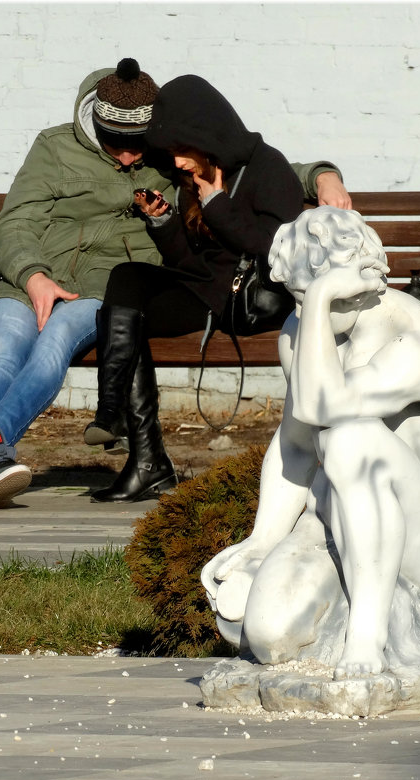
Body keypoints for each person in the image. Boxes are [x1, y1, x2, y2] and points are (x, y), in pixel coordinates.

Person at [0, 59, 351, 508]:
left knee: (61, 337)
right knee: (3, 354)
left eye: (134, 144)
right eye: (112, 142)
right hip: (31, 281)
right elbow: (16, 221)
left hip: (95, 290)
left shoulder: (166, 156)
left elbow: (249, 161)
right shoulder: (55, 148)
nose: (125, 155)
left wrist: (322, 174)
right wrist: (33, 276)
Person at [200, 206, 420, 679]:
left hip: (417, 536)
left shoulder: (414, 338)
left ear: (360, 280)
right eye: (297, 297)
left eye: (312, 295)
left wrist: (320, 294)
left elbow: (326, 406)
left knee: (351, 438)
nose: (303, 312)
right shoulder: (301, 332)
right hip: (326, 519)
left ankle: (368, 631)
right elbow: (299, 443)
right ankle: (326, 615)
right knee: (268, 635)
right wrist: (263, 540)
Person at [87, 74, 316, 503]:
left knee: (127, 311)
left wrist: (218, 206)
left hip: (247, 303)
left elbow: (277, 252)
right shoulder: (198, 176)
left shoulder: (268, 169)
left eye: (181, 150)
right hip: (208, 292)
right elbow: (190, 265)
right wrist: (163, 222)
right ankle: (118, 423)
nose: (176, 163)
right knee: (127, 283)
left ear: (207, 136)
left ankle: (142, 459)